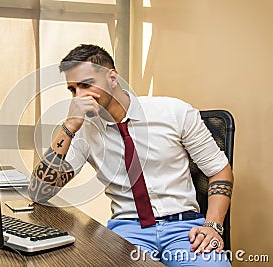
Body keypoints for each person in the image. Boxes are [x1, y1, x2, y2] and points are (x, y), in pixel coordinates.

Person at [28, 44, 234, 266]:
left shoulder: (174, 112)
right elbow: (39, 192)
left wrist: (212, 226)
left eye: (86, 84)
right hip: (127, 232)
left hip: (185, 230)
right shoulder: (84, 131)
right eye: (72, 90)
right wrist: (68, 127)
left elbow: (220, 171)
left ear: (113, 78)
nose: (80, 96)